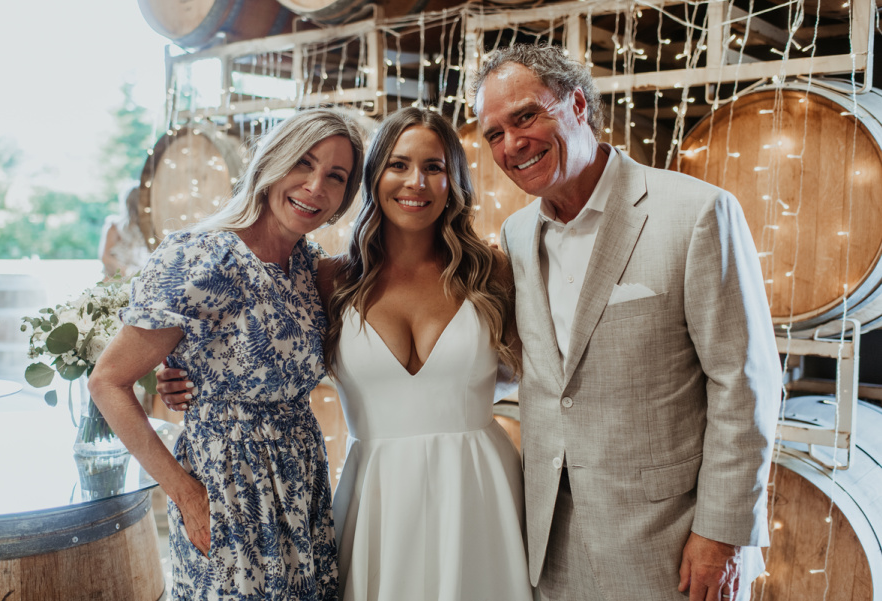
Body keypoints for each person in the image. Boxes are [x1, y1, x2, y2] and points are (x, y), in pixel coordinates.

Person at [159, 107, 534, 601]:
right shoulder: (328, 279)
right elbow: (264, 342)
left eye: (434, 167)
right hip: (376, 491)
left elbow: (525, 372)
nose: (415, 182)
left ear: (454, 182)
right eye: (398, 165)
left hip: (479, 486)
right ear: (374, 178)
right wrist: (183, 372)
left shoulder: (493, 272)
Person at [471, 44, 782, 601]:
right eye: (494, 133)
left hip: (669, 543)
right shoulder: (517, 234)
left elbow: (744, 384)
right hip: (550, 540)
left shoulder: (696, 212)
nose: (512, 144)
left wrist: (721, 534)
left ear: (577, 104)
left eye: (526, 116)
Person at [88, 108, 365, 601]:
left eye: (335, 176)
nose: (315, 186)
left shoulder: (309, 267)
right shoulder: (201, 256)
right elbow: (107, 382)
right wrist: (185, 494)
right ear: (271, 162)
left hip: (301, 487)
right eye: (303, 163)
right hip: (228, 488)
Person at [99, 183, 151, 280]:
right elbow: (106, 257)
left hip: (138, 279)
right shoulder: (115, 226)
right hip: (115, 279)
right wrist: (127, 272)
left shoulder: (149, 229)